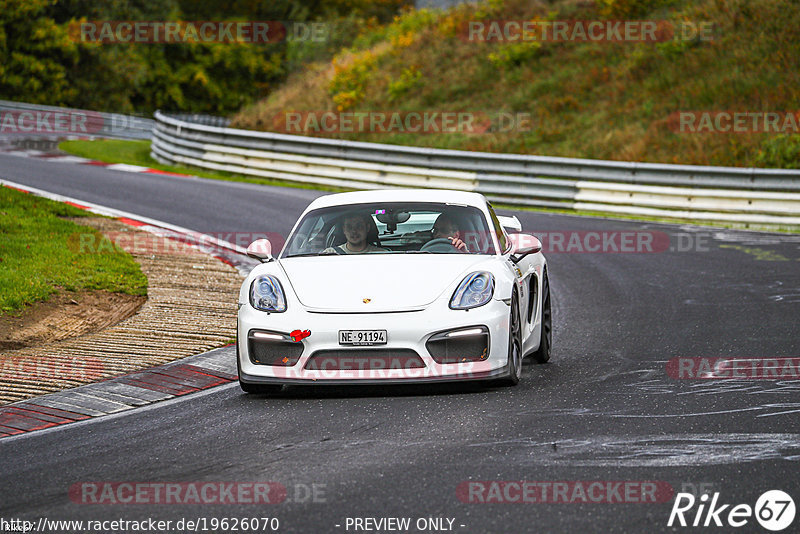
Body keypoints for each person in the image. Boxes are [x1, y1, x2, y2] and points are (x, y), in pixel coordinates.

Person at [322, 213, 387, 254]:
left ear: (367, 228)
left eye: (359, 226)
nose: (354, 231)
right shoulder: (330, 254)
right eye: (349, 227)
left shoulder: (382, 254)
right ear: (344, 230)